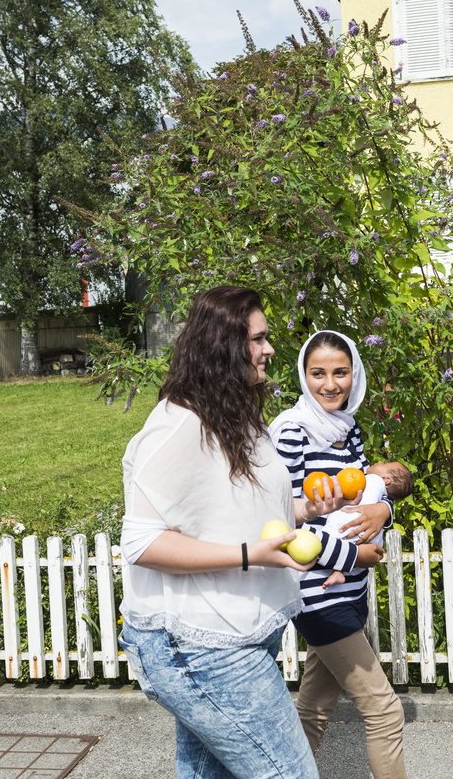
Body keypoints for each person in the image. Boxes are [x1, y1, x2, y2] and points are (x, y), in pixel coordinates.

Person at [118, 286, 351, 779]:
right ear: (222, 346)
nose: (269, 350)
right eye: (258, 339)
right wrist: (251, 554)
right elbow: (141, 542)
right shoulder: (178, 427)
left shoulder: (236, 416)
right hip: (197, 648)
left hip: (237, 632)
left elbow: (237, 505)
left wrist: (307, 508)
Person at [269, 330, 409, 779]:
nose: (330, 384)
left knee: (313, 710)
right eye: (318, 373)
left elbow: (365, 496)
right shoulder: (292, 432)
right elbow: (282, 521)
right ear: (302, 375)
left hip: (351, 591)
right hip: (317, 593)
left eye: (340, 372)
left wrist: (383, 508)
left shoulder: (349, 430)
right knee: (385, 712)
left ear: (355, 375)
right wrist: (354, 559)